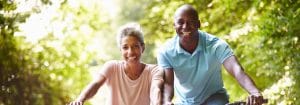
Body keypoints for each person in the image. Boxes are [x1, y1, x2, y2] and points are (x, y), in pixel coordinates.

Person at [157, 4, 264, 105]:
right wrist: (166, 101)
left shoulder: (216, 45)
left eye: (191, 22)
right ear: (174, 25)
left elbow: (237, 70)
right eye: (180, 22)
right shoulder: (166, 51)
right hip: (185, 101)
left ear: (198, 24)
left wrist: (255, 92)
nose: (185, 26)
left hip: (215, 98)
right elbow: (168, 84)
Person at [69, 23, 164, 105]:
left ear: (142, 48)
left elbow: (156, 90)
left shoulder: (153, 71)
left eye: (135, 46)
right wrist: (80, 100)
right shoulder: (112, 67)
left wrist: (157, 103)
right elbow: (95, 84)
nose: (130, 52)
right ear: (120, 50)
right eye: (125, 47)